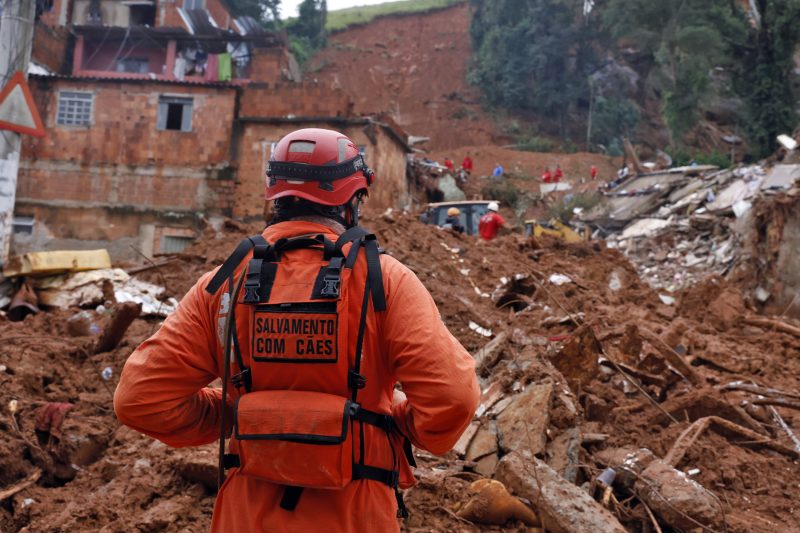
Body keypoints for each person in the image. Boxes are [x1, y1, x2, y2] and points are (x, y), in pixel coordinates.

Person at [114, 128, 480, 532]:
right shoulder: (385, 282)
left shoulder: (223, 285)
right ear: (352, 201)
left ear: (275, 195)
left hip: (245, 518)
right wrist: (391, 422)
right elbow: (453, 399)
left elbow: (140, 399)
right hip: (356, 516)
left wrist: (243, 416)